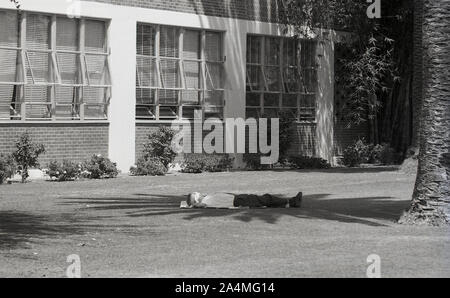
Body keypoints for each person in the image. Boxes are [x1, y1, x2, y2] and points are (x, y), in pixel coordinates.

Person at [186, 192, 302, 209]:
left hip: (239, 198)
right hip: (239, 201)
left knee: (264, 201)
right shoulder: (205, 202)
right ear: (196, 199)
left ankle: (288, 203)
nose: (199, 193)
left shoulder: (207, 198)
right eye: (196, 194)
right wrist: (194, 204)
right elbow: (199, 205)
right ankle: (292, 202)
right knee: (266, 199)